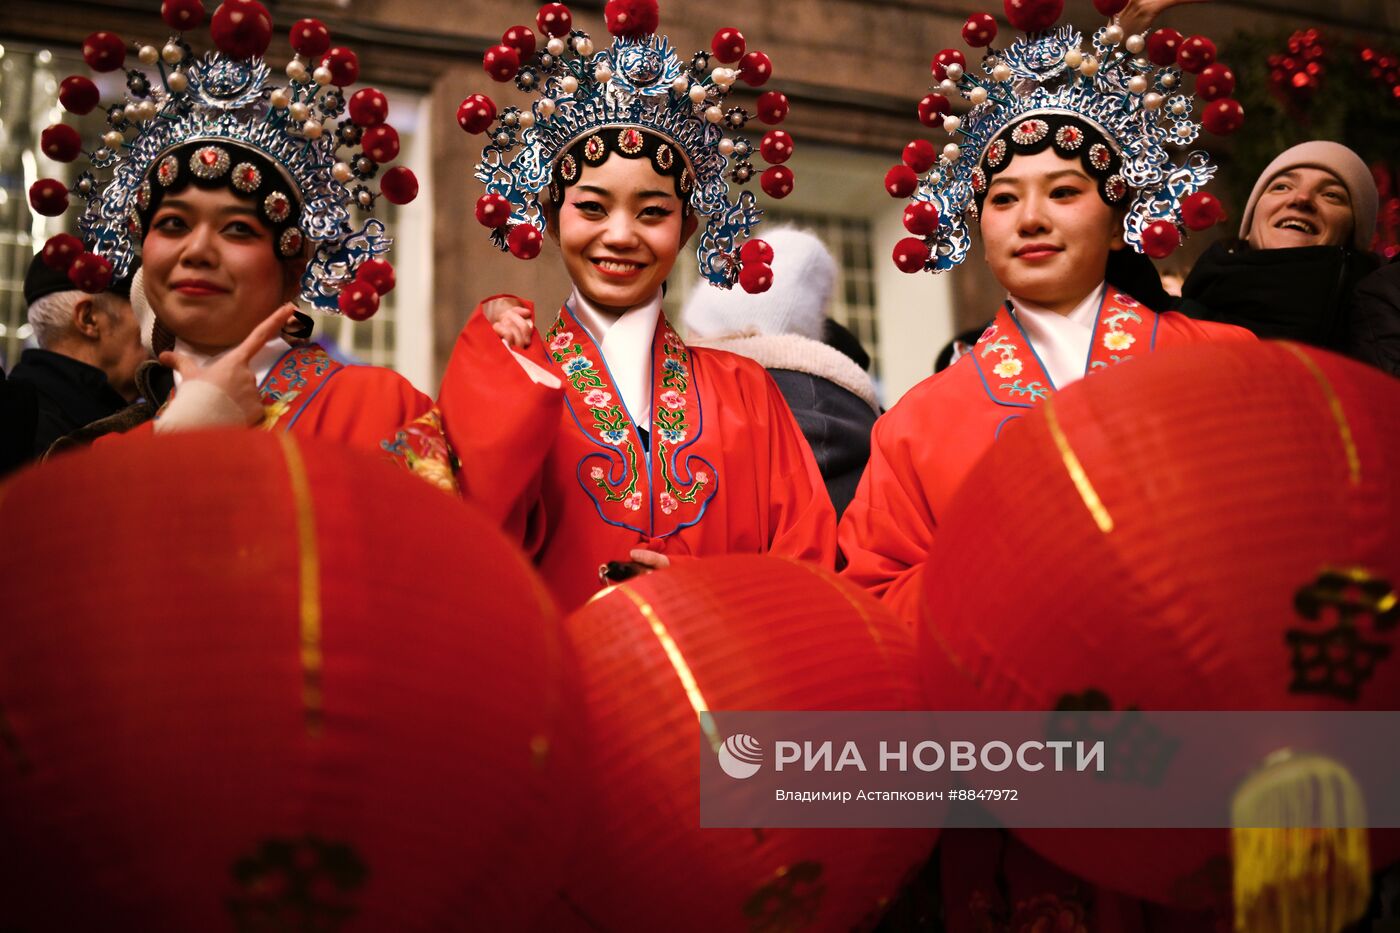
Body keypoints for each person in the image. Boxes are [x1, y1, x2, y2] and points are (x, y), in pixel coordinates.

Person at [837, 8, 1254, 928]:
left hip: (1209, 755)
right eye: (1003, 196)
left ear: (1119, 214)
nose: (1029, 217)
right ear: (973, 223)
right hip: (1017, 782)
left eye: (1063, 190)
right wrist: (1000, 579)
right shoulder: (920, 420)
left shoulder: (1225, 366)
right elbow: (871, 604)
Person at [437, 0, 837, 611]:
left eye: (652, 213)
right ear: (549, 218)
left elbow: (809, 572)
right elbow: (464, 553)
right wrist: (494, 372)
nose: (621, 236)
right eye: (592, 208)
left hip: (715, 692)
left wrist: (706, 596)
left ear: (686, 226)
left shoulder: (749, 393)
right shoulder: (520, 371)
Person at [29, 4, 455, 491]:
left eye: (237, 230)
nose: (198, 251)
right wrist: (181, 438)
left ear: (292, 269)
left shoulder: (381, 407)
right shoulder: (101, 456)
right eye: (172, 224)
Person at [681, 226, 880, 518]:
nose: (683, 347)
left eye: (694, 336)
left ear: (725, 341)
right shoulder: (875, 431)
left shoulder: (695, 421)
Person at [1178, 140, 1384, 358]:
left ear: (1354, 235)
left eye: (1331, 195)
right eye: (1281, 187)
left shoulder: (1379, 341)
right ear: (1248, 227)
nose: (1301, 198)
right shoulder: (1166, 315)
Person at [6, 253, 146, 462]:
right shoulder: (24, 435)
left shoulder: (27, 417)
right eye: (144, 310)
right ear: (89, 318)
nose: (158, 328)